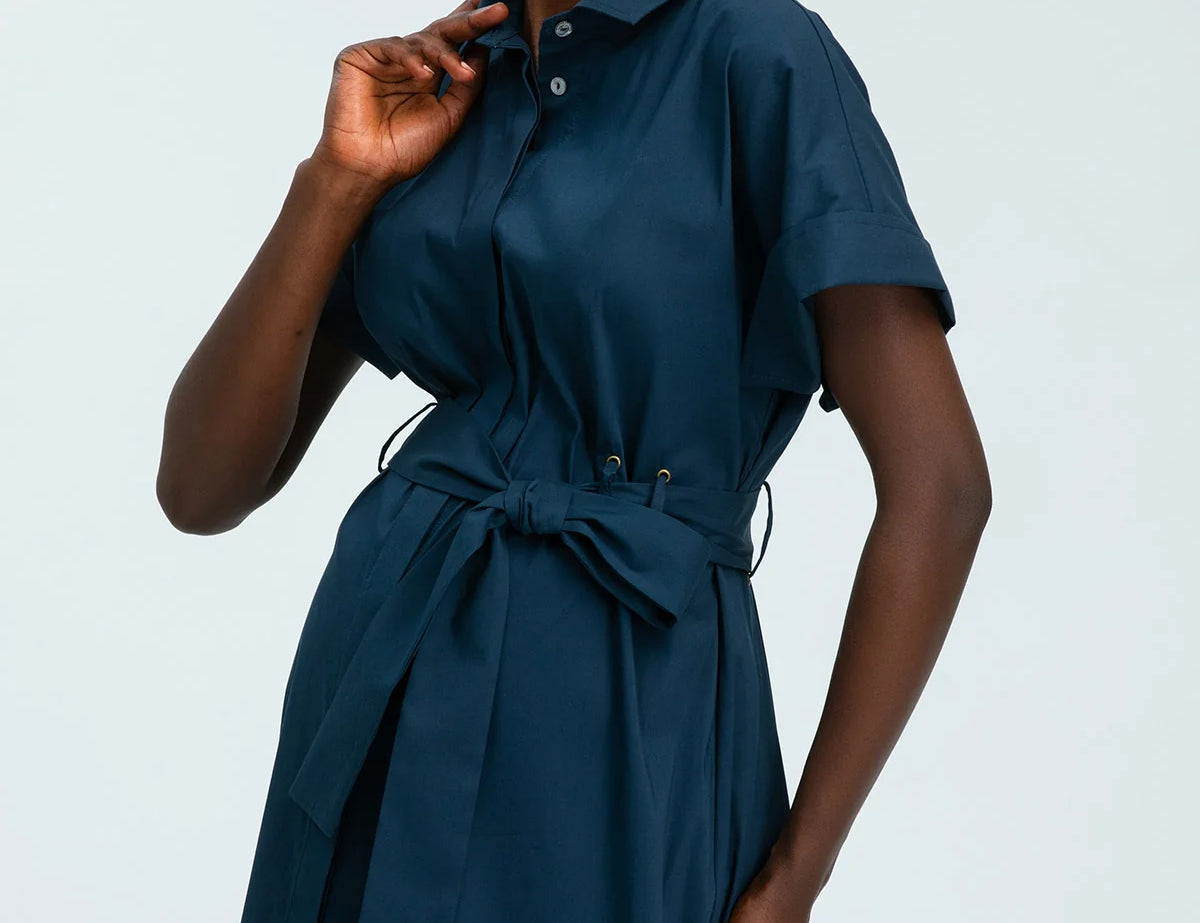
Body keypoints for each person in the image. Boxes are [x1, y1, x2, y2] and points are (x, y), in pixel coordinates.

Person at [156, 0, 991, 920]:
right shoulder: (457, 74)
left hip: (627, 701)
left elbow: (941, 486)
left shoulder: (758, 48)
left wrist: (798, 874)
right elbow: (202, 487)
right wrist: (336, 181)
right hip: (383, 672)